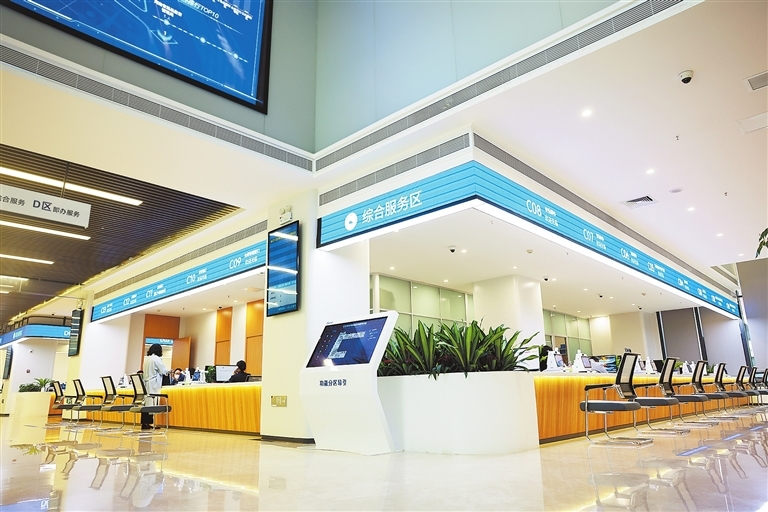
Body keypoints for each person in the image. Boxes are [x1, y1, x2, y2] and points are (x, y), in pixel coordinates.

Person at [141, 343, 169, 429]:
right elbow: (163, 371)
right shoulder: (156, 358)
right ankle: (149, 423)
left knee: (146, 403)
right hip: (153, 383)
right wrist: (168, 371)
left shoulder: (147, 359)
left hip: (147, 382)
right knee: (152, 403)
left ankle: (144, 423)